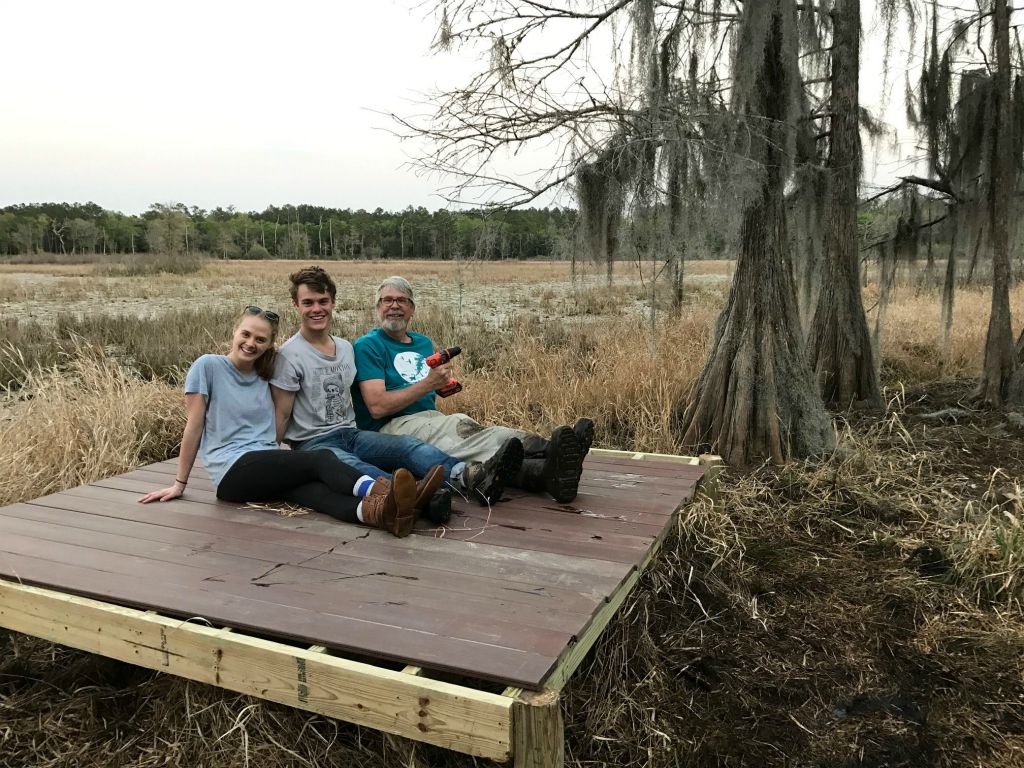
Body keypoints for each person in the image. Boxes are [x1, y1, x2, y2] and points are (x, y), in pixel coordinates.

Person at [139, 306, 436, 539]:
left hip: (264, 463)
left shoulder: (265, 374)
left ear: (269, 344)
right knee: (320, 459)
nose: (250, 343)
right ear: (234, 332)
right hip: (232, 470)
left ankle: (382, 515)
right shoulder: (209, 366)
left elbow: (283, 414)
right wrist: (180, 483)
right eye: (246, 334)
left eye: (260, 339)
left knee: (316, 493)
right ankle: (390, 494)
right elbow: (194, 426)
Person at [270, 266, 522, 510]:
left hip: (352, 433)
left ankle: (468, 477)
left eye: (323, 301)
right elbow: (281, 415)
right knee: (357, 468)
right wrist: (270, 457)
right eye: (308, 302)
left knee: (408, 447)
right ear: (296, 305)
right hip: (314, 444)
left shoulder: (346, 349)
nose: (317, 309)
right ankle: (417, 498)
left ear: (333, 302)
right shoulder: (288, 355)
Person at [352, 276, 595, 504]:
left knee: (477, 438)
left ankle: (546, 472)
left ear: (412, 308)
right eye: (387, 300)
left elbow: (423, 387)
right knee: (469, 437)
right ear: (377, 307)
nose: (394, 306)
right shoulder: (368, 346)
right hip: (392, 428)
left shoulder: (422, 343)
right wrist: (428, 383)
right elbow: (377, 407)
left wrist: (442, 385)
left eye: (401, 300)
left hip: (432, 419)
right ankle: (551, 448)